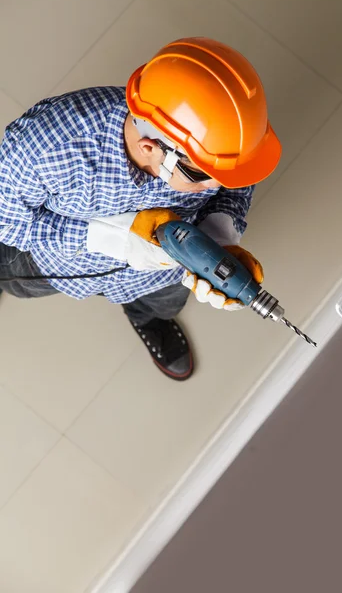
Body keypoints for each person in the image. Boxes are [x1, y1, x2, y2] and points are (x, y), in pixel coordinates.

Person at [0, 37, 281, 381]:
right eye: (202, 176)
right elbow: (11, 225)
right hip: (57, 261)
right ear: (150, 147)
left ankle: (145, 316)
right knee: (15, 281)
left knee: (163, 305)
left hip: (165, 269)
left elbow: (235, 180)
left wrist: (220, 233)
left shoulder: (228, 136)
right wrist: (108, 239)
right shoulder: (44, 148)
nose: (219, 188)